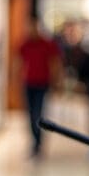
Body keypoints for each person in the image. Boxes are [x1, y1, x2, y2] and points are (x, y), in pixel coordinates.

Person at [17, 17, 62, 157]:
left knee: (38, 112)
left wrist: (56, 81)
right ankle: (35, 140)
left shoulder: (47, 44)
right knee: (30, 114)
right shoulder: (25, 44)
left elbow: (55, 62)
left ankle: (38, 142)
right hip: (28, 83)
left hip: (42, 83)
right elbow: (18, 62)